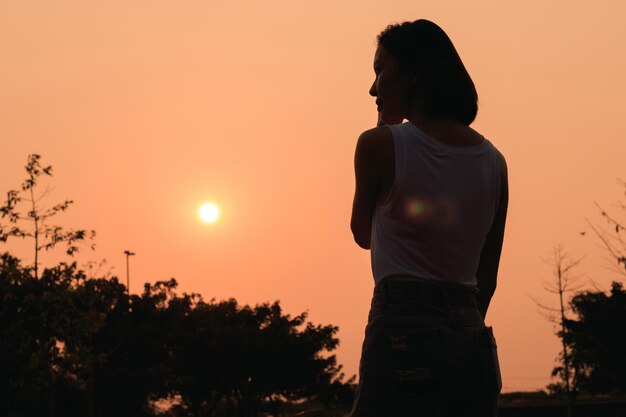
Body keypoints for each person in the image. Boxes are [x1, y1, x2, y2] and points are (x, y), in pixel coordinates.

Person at [349, 19, 508, 417]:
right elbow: (486, 276)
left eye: (380, 70)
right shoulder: (495, 161)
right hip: (472, 334)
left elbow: (362, 233)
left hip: (402, 327)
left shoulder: (378, 144)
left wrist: (386, 129)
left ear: (414, 74)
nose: (373, 88)